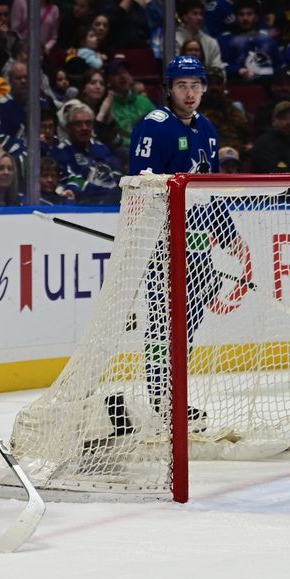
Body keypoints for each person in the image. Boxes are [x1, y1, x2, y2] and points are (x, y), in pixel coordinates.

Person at [128, 56, 246, 432]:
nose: (190, 92)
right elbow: (141, 186)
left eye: (196, 85)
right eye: (182, 85)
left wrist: (229, 236)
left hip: (197, 244)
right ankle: (161, 397)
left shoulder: (208, 130)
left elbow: (207, 192)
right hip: (162, 241)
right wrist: (154, 233)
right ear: (169, 88)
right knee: (164, 321)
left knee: (188, 320)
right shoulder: (154, 126)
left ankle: (174, 393)